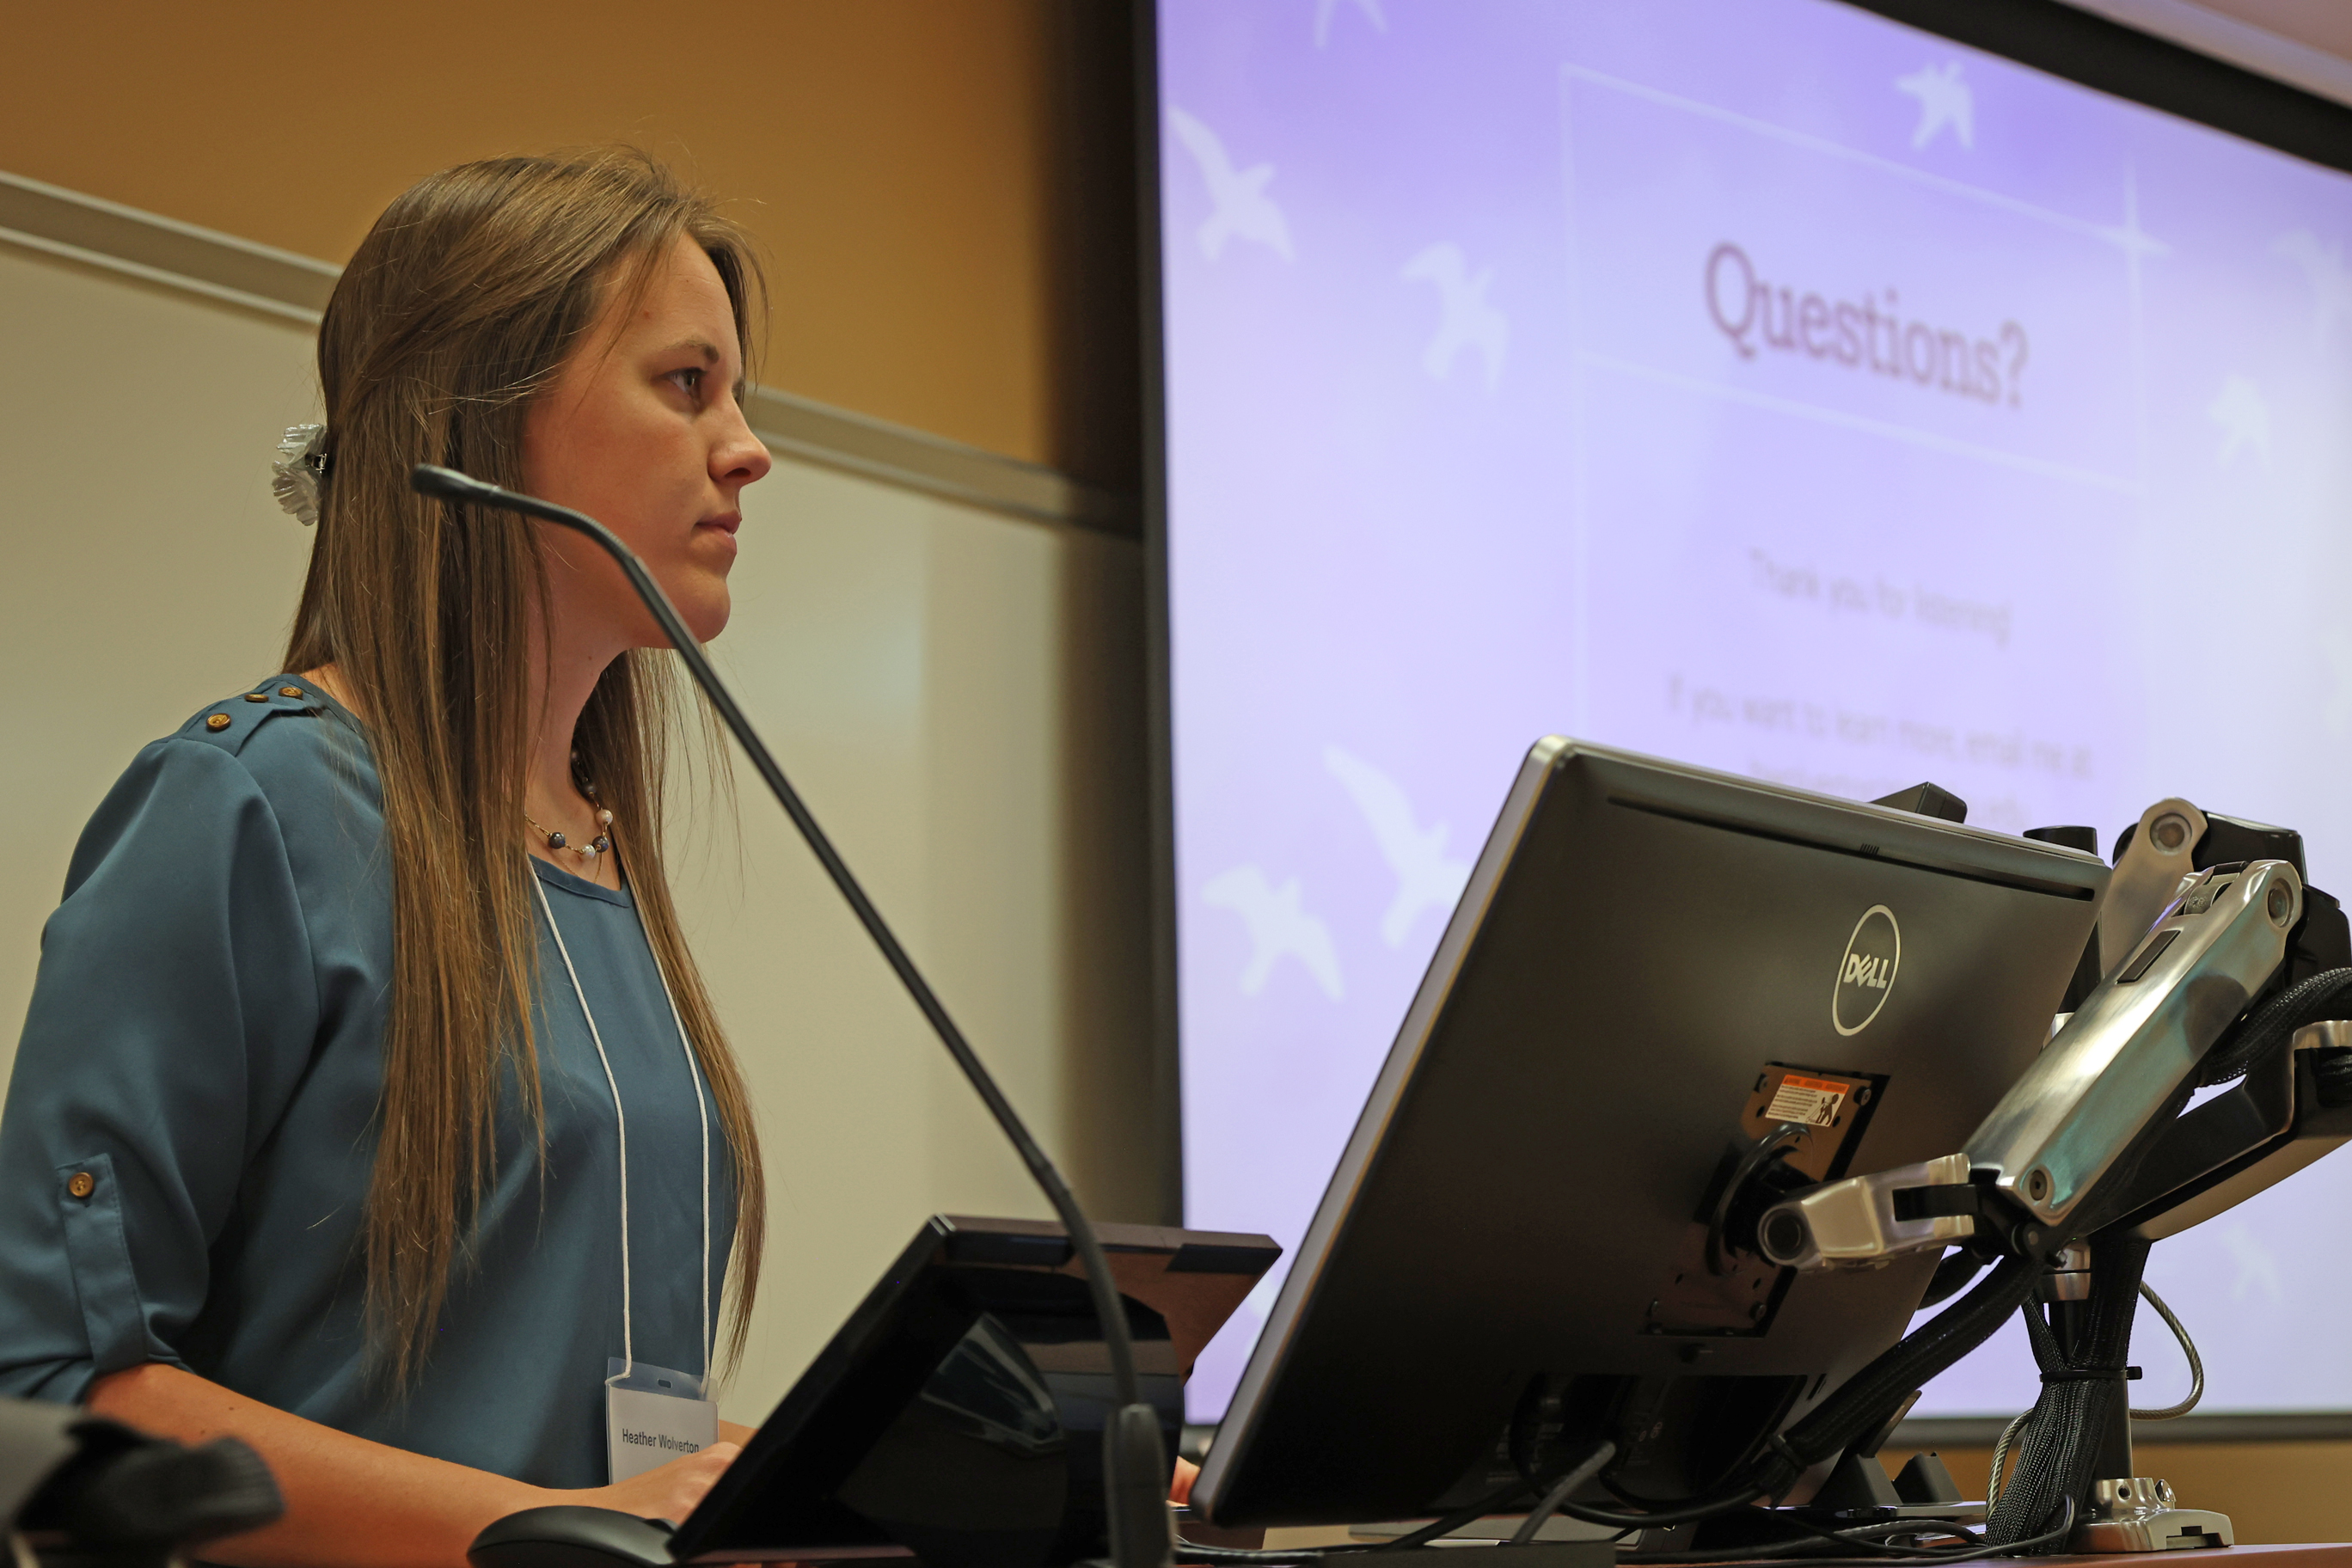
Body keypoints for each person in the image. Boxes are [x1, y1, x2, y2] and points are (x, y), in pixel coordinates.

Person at [0, 150, 776, 1564]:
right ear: (483, 422)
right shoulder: (246, 806)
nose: (747, 448)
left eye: (738, 396)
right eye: (686, 385)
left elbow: (558, 1422)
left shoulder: (596, 849)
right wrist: (533, 1528)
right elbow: (48, 1412)